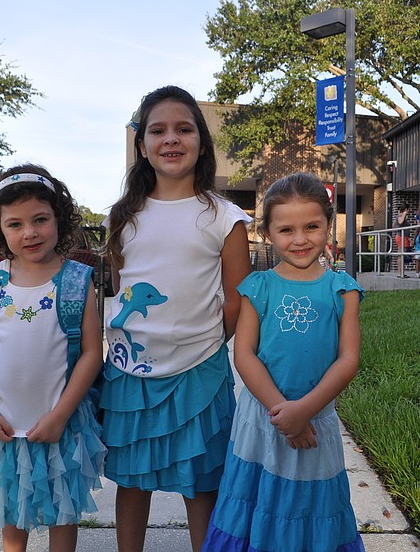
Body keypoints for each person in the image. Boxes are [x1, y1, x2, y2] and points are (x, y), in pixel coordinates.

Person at [102, 85, 252, 552]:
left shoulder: (225, 217)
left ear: (202, 143)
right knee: (133, 480)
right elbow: (116, 286)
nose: (171, 139)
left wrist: (202, 343)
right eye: (158, 130)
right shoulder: (123, 216)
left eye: (184, 129)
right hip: (131, 371)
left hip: (200, 372)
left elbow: (238, 299)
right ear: (142, 146)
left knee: (202, 482)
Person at [202, 172, 364, 552]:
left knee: (310, 505)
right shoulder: (258, 288)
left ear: (328, 224)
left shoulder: (342, 290)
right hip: (262, 419)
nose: (300, 239)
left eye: (312, 226)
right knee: (255, 500)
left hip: (316, 420)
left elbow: (348, 359)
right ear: (268, 233)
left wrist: (304, 411)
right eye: (286, 230)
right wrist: (283, 413)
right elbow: (244, 355)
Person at [0, 165, 106, 552]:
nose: (30, 232)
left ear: (59, 218)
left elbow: (92, 352)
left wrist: (59, 416)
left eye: (40, 219)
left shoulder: (76, 281)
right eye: (15, 224)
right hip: (5, 426)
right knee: (12, 510)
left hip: (62, 424)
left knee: (63, 511)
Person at [392, 203, 412, 278]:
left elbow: (394, 225)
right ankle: (400, 273)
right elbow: (400, 222)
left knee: (401, 254)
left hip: (403, 236)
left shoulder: (398, 216)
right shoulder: (400, 216)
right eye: (408, 209)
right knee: (401, 254)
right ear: (406, 209)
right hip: (401, 237)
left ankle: (401, 272)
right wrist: (404, 214)